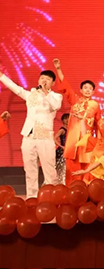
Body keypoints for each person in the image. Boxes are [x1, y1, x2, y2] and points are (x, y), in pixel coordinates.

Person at [0, 69, 62, 198]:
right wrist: (2, 76)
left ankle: (52, 198)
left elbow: (56, 106)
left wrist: (45, 92)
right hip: (28, 136)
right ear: (38, 80)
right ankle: (31, 198)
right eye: (42, 78)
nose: (44, 81)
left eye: (47, 79)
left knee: (49, 170)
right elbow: (16, 88)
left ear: (53, 83)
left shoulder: (56, 96)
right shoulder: (30, 95)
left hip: (45, 137)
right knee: (30, 170)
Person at [53, 59, 101, 185]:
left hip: (86, 141)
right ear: (80, 90)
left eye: (90, 89)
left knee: (86, 169)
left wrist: (99, 142)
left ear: (93, 91)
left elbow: (98, 124)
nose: (87, 90)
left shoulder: (95, 105)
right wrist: (58, 69)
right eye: (85, 88)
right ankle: (71, 191)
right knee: (72, 169)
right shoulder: (75, 101)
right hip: (73, 141)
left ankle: (87, 191)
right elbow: (66, 86)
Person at [54, 113, 69, 185]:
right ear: (63, 120)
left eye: (68, 118)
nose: (67, 120)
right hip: (61, 152)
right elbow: (54, 138)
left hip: (68, 151)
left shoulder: (71, 129)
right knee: (60, 169)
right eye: (65, 118)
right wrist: (61, 146)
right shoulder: (62, 130)